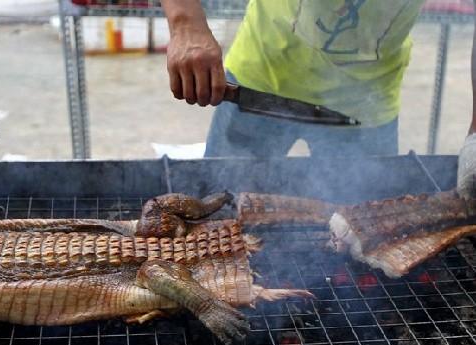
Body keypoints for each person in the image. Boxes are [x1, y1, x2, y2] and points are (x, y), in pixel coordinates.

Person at [161, 0, 476, 199]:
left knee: (364, 217)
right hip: (261, 81)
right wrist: (186, 22)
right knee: (219, 209)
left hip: (366, 104)